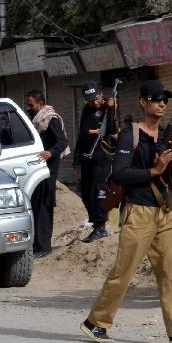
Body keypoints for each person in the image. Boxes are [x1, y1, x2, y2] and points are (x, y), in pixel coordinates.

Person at [80, 80, 172, 343]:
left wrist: (171, 161)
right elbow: (120, 173)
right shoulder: (130, 134)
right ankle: (96, 322)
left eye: (164, 100)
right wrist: (154, 169)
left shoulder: (166, 136)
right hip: (139, 212)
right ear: (143, 102)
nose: (161, 103)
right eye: (155, 99)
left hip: (166, 212)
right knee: (124, 271)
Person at [24, 90, 69, 258]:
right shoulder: (36, 119)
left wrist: (50, 152)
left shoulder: (50, 118)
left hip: (48, 169)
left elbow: (62, 141)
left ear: (41, 103)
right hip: (37, 169)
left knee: (44, 205)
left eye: (31, 105)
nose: (29, 108)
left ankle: (44, 247)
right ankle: (37, 245)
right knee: (36, 205)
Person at [74, 82, 118, 243]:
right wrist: (78, 162)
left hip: (101, 156)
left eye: (96, 98)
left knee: (98, 191)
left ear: (101, 93)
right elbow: (82, 135)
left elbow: (113, 130)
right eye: (90, 100)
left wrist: (111, 109)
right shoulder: (87, 109)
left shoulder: (108, 107)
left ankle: (101, 227)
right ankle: (95, 223)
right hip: (86, 157)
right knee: (85, 193)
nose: (95, 102)